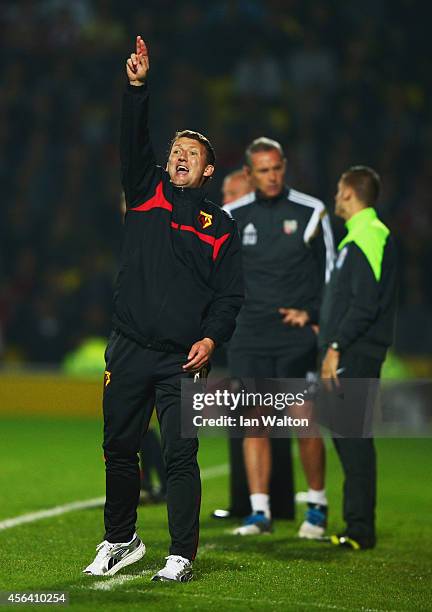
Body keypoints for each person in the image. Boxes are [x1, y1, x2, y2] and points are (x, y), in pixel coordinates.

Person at [83, 36, 243, 582]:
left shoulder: (221, 227)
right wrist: (137, 89)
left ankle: (181, 553)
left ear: (208, 171)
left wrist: (213, 338)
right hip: (128, 348)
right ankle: (120, 539)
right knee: (119, 448)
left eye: (191, 154)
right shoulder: (145, 187)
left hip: (182, 360)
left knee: (179, 458)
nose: (180, 156)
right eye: (176, 149)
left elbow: (230, 296)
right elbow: (133, 137)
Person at [225, 137, 335, 537]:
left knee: (304, 421)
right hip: (249, 336)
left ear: (284, 166)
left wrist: (316, 316)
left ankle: (317, 506)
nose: (272, 176)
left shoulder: (311, 210)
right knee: (254, 422)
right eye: (264, 170)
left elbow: (331, 270)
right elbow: (217, 274)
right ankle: (259, 512)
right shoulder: (232, 214)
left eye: (277, 168)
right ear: (249, 174)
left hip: (294, 339)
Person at [319, 165, 397, 550]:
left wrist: (336, 347)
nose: (335, 196)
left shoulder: (367, 236)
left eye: (338, 189)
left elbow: (364, 306)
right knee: (351, 438)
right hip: (356, 349)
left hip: (356, 352)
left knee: (354, 440)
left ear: (350, 192)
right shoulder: (366, 235)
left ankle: (360, 528)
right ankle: (357, 525)